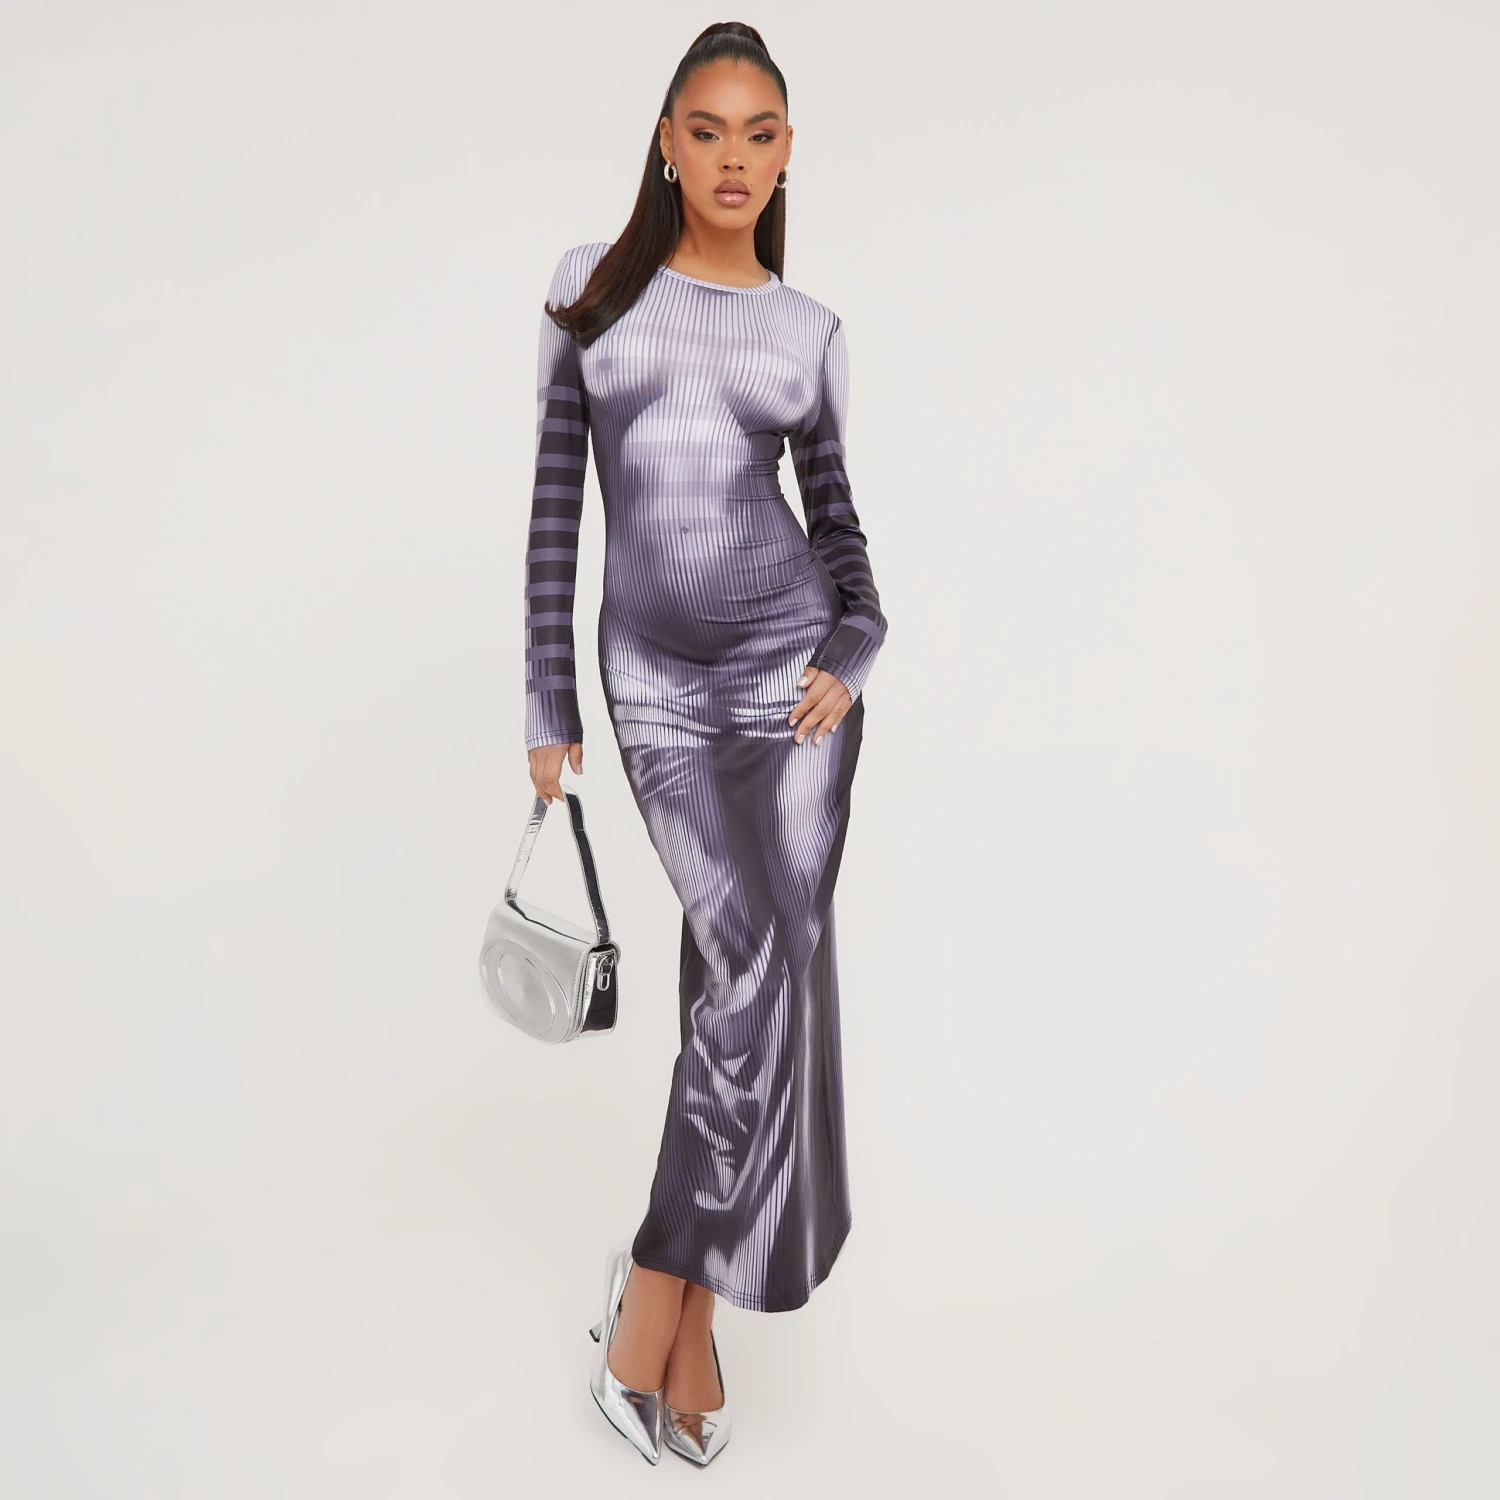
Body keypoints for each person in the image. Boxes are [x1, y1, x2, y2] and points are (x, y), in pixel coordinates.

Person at [521, 22, 888, 1466]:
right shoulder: (590, 293)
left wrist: (852, 651)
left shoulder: (807, 332)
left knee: (755, 984)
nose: (735, 158)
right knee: (746, 975)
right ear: (667, 145)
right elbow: (557, 507)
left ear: (787, 156)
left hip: (793, 690)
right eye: (708, 129)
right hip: (660, 690)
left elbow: (842, 536)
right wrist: (547, 704)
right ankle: (668, 1303)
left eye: (761, 133)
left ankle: (676, 1314)